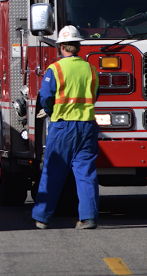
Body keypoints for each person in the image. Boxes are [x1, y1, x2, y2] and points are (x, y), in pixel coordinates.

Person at [32, 25, 100, 230]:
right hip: (87, 126)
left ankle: (42, 218)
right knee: (86, 173)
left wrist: (51, 111)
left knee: (53, 172)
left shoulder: (55, 69)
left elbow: (45, 97)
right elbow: (95, 95)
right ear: (78, 46)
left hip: (62, 127)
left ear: (61, 47)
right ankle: (88, 218)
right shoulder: (91, 69)